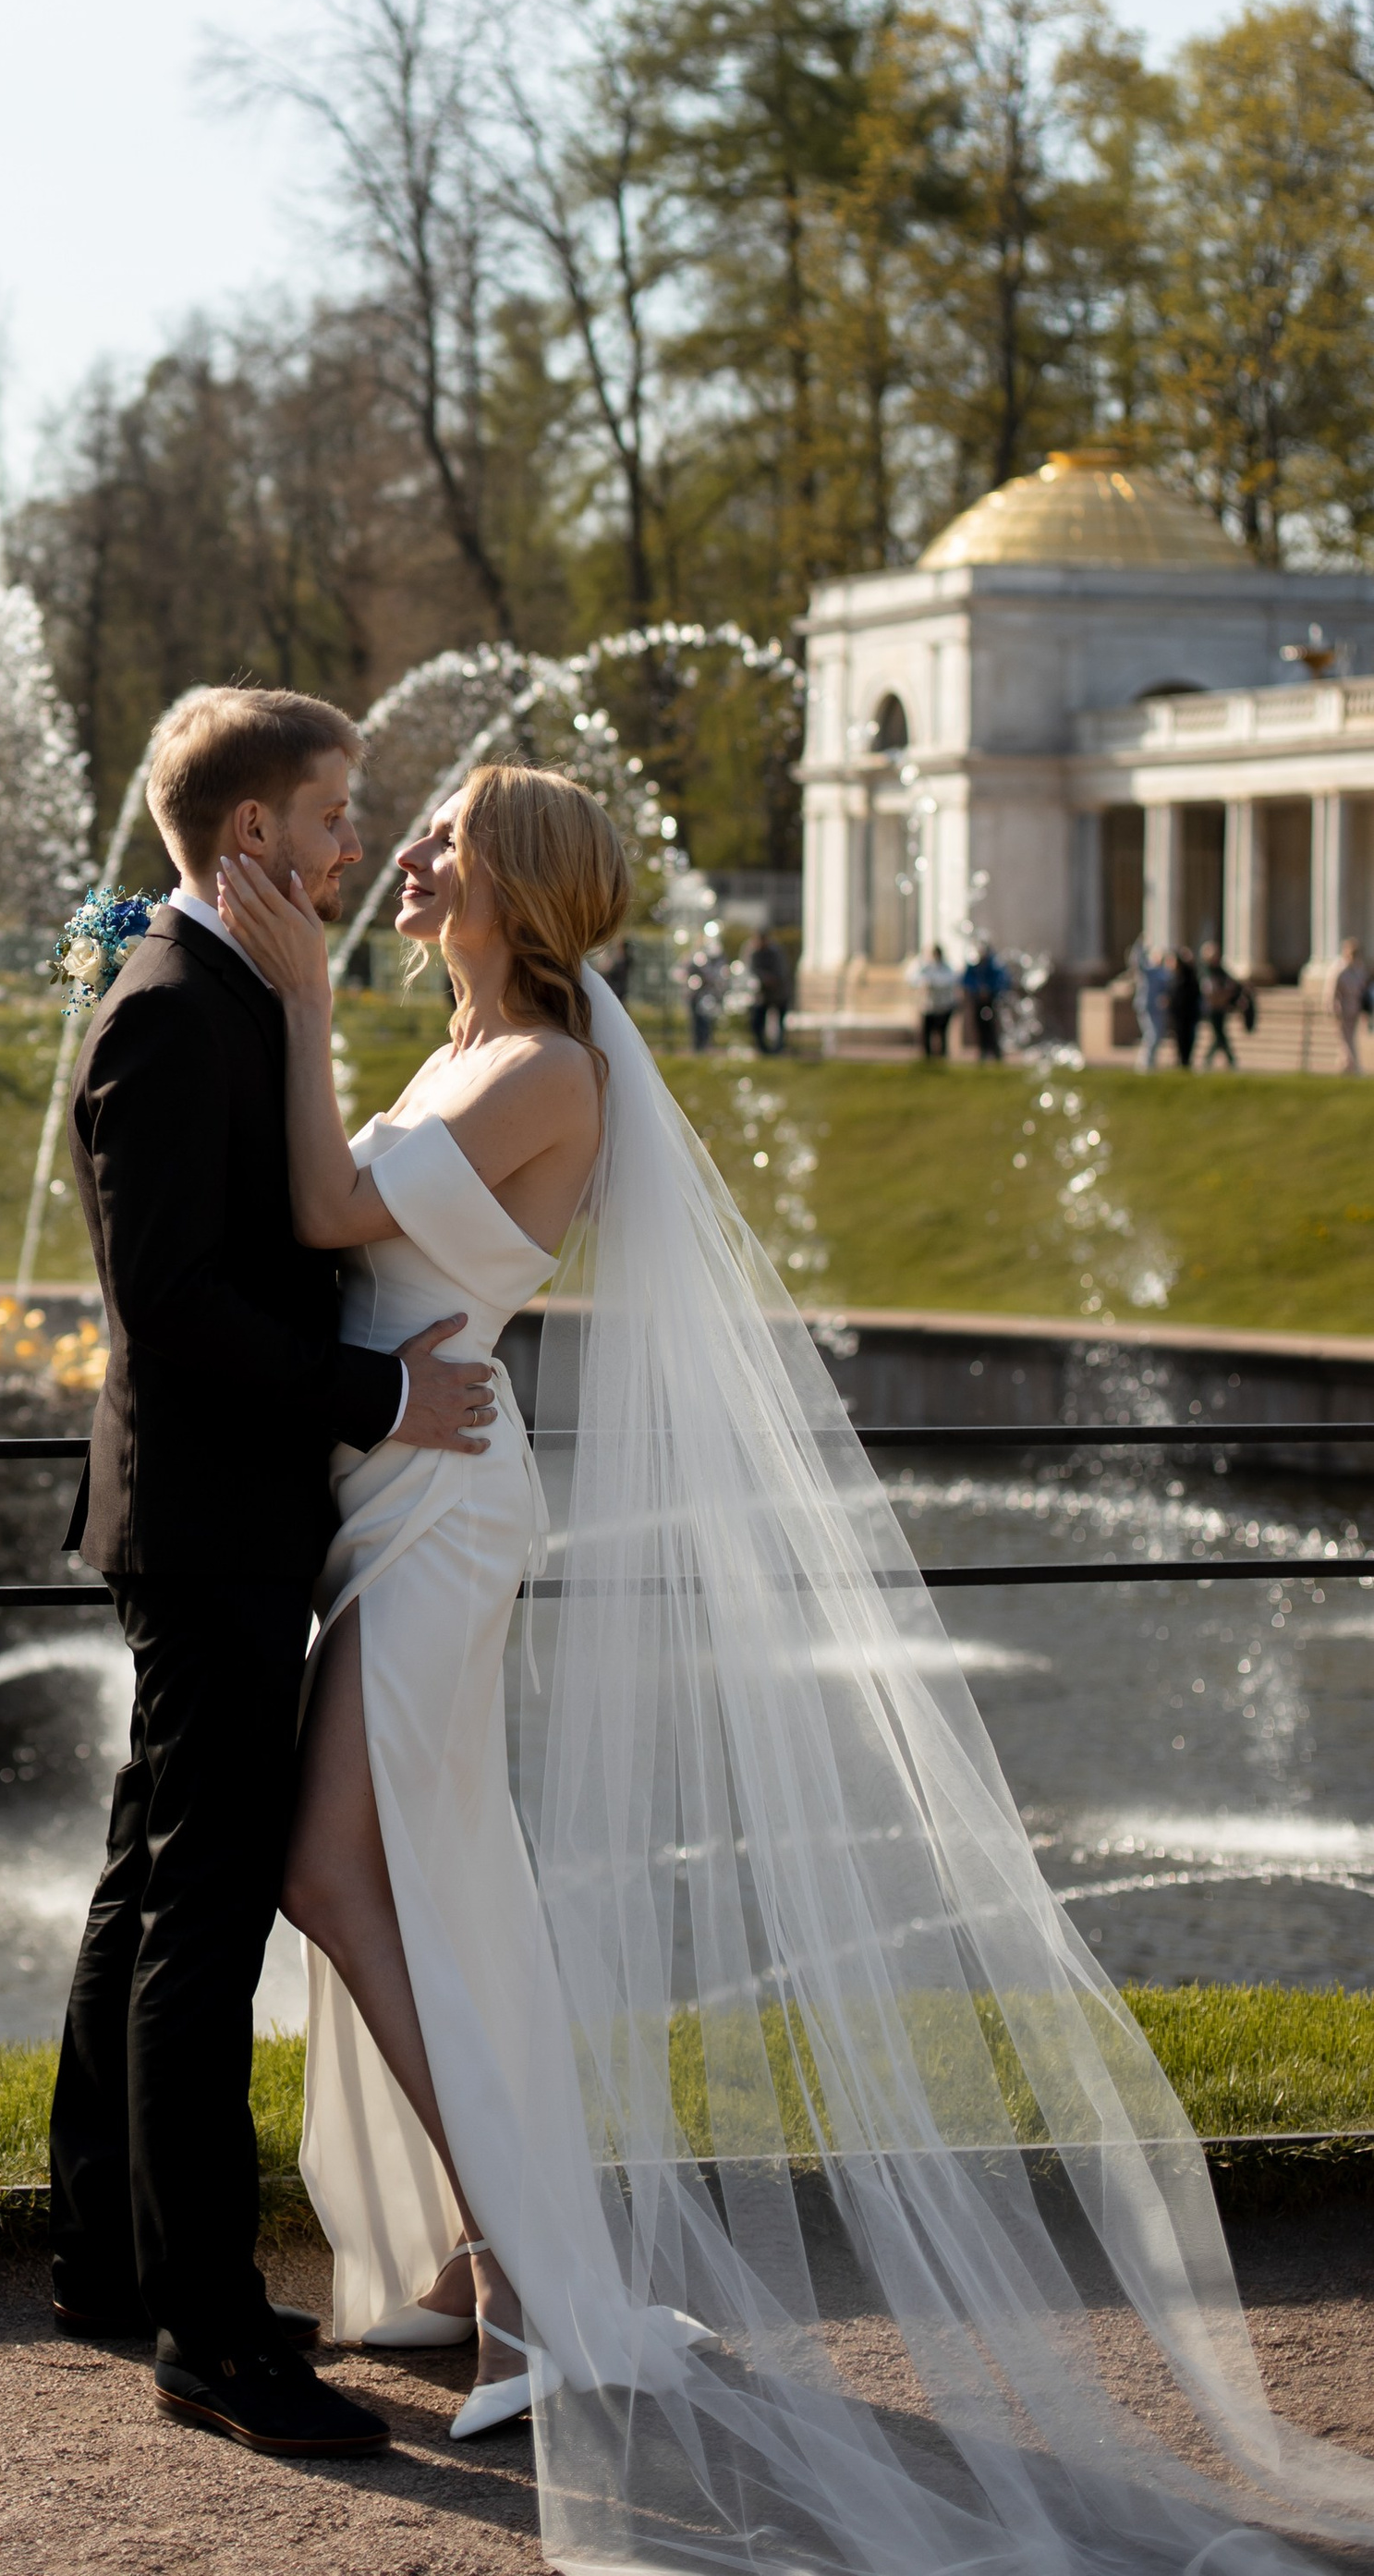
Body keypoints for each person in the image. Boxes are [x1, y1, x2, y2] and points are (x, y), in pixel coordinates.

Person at [218, 760, 1374, 2570]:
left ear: (516, 882)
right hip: (396, 1488)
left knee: (322, 1866)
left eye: (449, 835)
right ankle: (481, 2242)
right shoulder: (461, 1048)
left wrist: (293, 1003)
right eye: (417, 828)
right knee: (437, 1875)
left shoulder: (544, 1070)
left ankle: (522, 2270)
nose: (412, 852)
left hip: (443, 1514)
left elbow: (320, 1212)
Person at [49, 687, 493, 2460]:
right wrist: (380, 1397)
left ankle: (112, 2257)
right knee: (204, 1924)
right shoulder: (175, 1003)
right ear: (253, 832)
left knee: (147, 1886)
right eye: (330, 812)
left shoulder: (220, 985)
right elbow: (173, 1300)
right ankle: (212, 2336)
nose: (353, 842)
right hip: (212, 1520)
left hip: (215, 1512)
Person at [906, 939, 960, 1061]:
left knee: (942, 1033)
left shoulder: (947, 968)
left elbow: (950, 980)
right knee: (927, 1034)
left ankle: (942, 1056)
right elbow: (913, 978)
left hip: (944, 1006)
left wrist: (932, 983)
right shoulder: (925, 967)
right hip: (929, 1006)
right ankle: (928, 1057)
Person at [1198, 941, 1247, 1068]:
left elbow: (1233, 985)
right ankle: (1229, 1060)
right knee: (1220, 1034)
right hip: (1212, 1008)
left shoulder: (1221, 971)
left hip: (1222, 1007)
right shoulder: (1205, 972)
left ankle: (1212, 1059)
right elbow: (1208, 990)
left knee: (1219, 1034)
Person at [960, 932, 1009, 1061]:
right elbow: (966, 980)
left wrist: (989, 990)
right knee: (979, 1025)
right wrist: (977, 989)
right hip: (978, 999)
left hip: (991, 999)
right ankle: (983, 1049)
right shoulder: (974, 964)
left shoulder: (994, 963)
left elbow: (1001, 980)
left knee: (992, 1025)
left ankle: (995, 1051)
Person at [1331, 935, 1372, 1079]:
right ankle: (1353, 1066)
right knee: (1346, 1038)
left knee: (1349, 1038)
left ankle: (1344, 1066)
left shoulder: (1359, 971)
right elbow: (1332, 993)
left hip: (1354, 1009)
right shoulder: (1340, 970)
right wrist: (1333, 1009)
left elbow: (1363, 991)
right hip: (1342, 1010)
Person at [744, 925, 788, 1055]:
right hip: (762, 994)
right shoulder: (753, 952)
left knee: (780, 1022)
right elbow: (751, 971)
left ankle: (778, 1048)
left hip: (779, 993)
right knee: (757, 1022)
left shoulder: (776, 952)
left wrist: (772, 979)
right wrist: (763, 979)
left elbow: (782, 971)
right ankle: (763, 1048)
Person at [681, 928, 725, 1053]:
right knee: (695, 1021)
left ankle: (704, 1044)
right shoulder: (693, 957)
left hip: (706, 994)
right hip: (695, 994)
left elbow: (715, 974)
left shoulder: (713, 956)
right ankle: (697, 1045)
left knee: (705, 1020)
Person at [1132, 934, 1172, 1068]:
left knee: (1157, 1036)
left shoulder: (1164, 973)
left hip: (1159, 1009)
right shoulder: (1148, 971)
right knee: (1151, 1035)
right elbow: (1137, 961)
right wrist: (1140, 945)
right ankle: (1145, 1063)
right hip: (1146, 1007)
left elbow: (1168, 989)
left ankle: (1150, 1062)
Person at [1167, 943, 1203, 1069]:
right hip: (1179, 1014)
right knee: (1180, 1038)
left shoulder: (1189, 976)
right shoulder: (1175, 977)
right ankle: (1182, 1061)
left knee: (1188, 1038)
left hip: (1189, 1013)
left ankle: (1186, 1061)